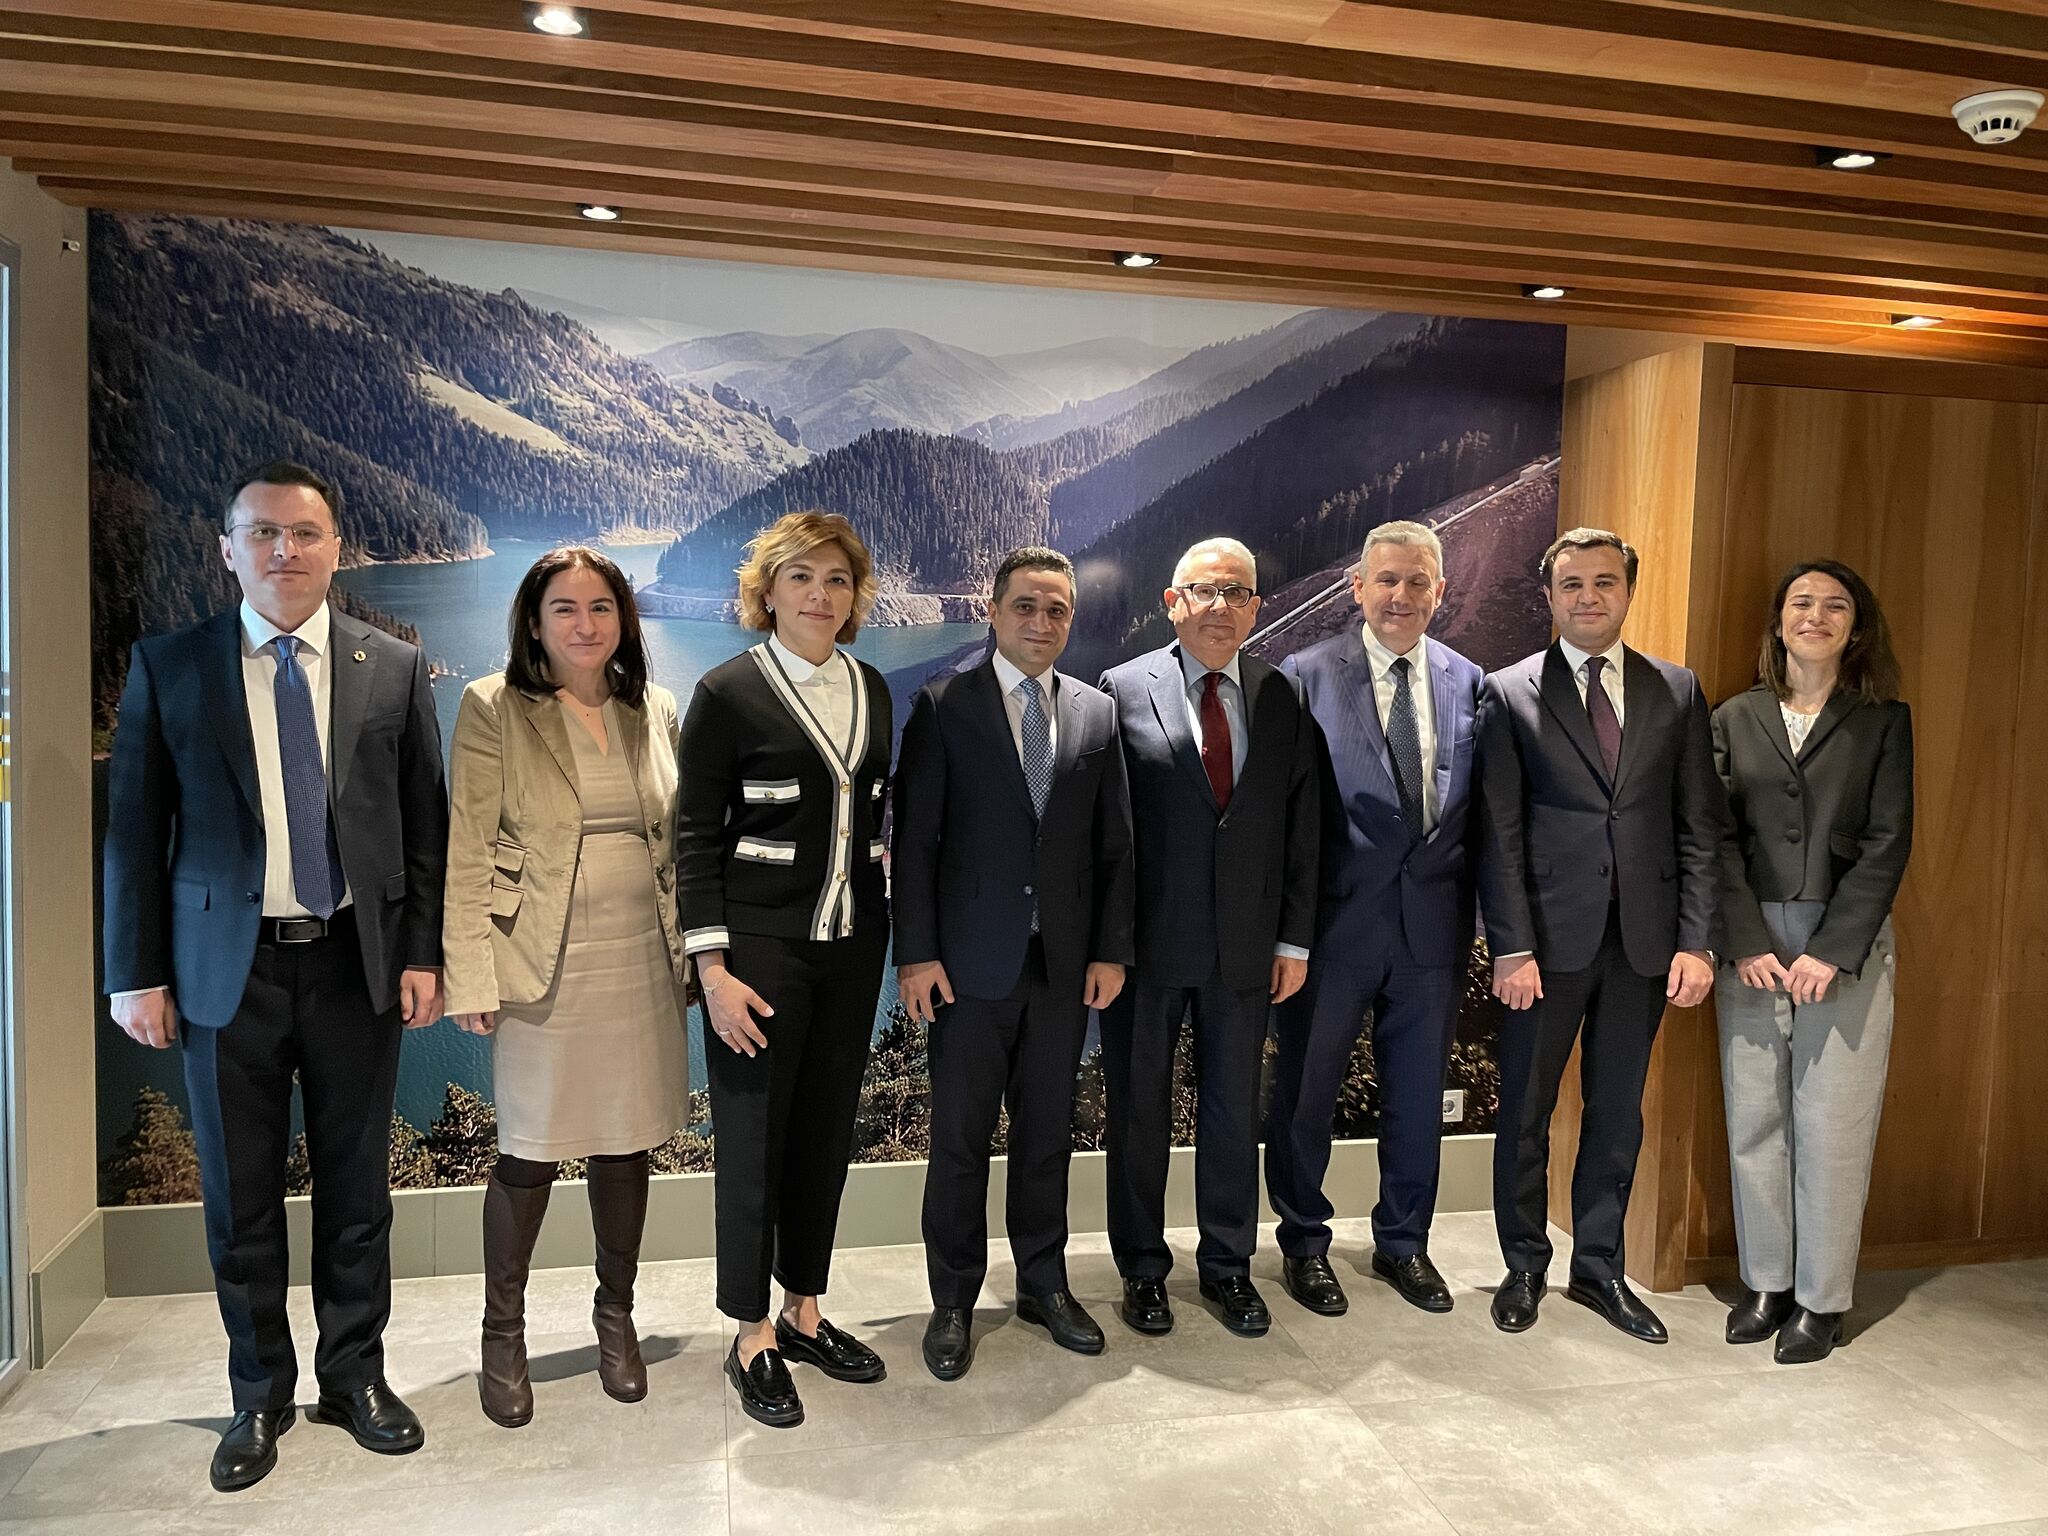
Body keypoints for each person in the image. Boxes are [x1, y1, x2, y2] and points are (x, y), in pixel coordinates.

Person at [102, 461, 447, 1492]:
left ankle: (355, 1378)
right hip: (224, 975)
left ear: (337, 548)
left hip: (354, 965)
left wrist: (423, 952)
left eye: (304, 533)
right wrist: (134, 974)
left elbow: (423, 829)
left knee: (357, 1191)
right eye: (263, 532)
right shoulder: (171, 666)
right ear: (229, 549)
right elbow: (134, 835)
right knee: (240, 1198)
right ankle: (259, 1394)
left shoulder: (392, 667)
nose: (284, 550)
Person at [442, 546, 690, 1429]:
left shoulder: (654, 707)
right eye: (565, 609)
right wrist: (469, 972)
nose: (585, 625)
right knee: (530, 1150)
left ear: (624, 618)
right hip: (539, 959)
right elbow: (468, 846)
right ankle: (501, 1336)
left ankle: (615, 1318)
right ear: (534, 622)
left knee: (627, 1142)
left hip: (642, 957)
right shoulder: (493, 706)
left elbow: (677, 841)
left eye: (601, 607)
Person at [675, 511, 894, 1429]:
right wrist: (712, 972)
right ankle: (750, 1330)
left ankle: (805, 1308)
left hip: (853, 950)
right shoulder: (727, 692)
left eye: (837, 579)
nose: (819, 594)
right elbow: (693, 841)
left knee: (823, 1133)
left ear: (856, 595)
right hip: (757, 956)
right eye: (800, 577)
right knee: (753, 1142)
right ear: (766, 591)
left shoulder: (872, 687)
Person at [894, 546, 1135, 1381]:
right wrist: (916, 956)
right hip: (966, 970)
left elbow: (1115, 848)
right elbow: (915, 844)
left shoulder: (1097, 714)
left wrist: (1110, 951)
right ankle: (953, 1300)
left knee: (1046, 1137)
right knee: (960, 1143)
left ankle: (1043, 1284)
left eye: (1056, 609)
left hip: (1062, 969)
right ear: (993, 612)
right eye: (1025, 606)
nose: (1041, 622)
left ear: (1071, 619)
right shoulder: (942, 705)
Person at [1475, 527, 1720, 1344]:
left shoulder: (1676, 689)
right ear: (1549, 597)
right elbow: (1499, 832)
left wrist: (1697, 940)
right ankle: (1523, 1263)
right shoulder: (1509, 692)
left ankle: (1599, 1268)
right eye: (1572, 584)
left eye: (1604, 582)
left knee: (1617, 1111)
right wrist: (1511, 946)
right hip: (1545, 946)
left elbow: (1698, 824)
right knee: (1527, 1110)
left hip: (1644, 941)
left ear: (1628, 591)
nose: (1589, 597)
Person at [1097, 538, 1318, 1338]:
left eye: (1238, 593)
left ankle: (1228, 1266)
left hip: (1246, 949)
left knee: (1232, 1114)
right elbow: (1107, 833)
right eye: (1205, 591)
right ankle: (1142, 1270)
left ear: (1256, 607)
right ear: (1173, 603)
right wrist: (1108, 946)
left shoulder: (1281, 694)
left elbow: (1302, 826)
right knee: (1139, 1115)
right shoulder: (1121, 689)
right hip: (1146, 952)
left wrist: (1294, 940)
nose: (1222, 606)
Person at [1266, 521, 1484, 1319]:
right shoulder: (1304, 675)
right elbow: (1286, 823)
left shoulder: (1468, 681)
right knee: (1306, 1096)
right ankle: (1303, 1244)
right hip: (1331, 934)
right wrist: (1288, 934)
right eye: (1386, 579)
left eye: (1417, 581)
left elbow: (1480, 815)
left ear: (1440, 591)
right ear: (1357, 587)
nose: (1401, 595)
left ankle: (1404, 1243)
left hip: (1432, 933)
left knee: (1418, 1098)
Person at [1712, 560, 1911, 1365]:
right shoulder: (1733, 717)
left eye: (1835, 606)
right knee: (1754, 1117)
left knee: (1834, 1125)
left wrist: (1832, 951)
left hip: (1844, 946)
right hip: (1753, 944)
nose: (1816, 616)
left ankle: (1821, 1301)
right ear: (1779, 621)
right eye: (1802, 603)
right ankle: (1767, 1283)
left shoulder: (1883, 722)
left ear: (1855, 628)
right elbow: (1714, 837)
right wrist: (1744, 938)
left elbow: (1888, 841)